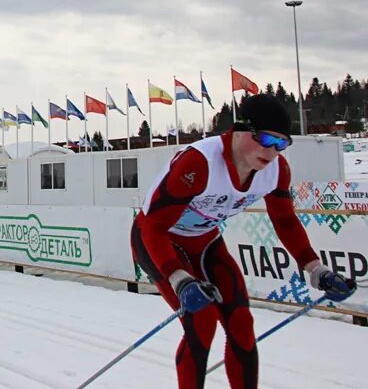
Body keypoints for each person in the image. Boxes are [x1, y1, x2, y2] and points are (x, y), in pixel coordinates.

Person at [131, 94, 357, 388]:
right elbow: (154, 226)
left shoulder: (275, 171)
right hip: (157, 240)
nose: (272, 151)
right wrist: (179, 278)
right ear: (239, 130)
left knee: (240, 324)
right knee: (201, 321)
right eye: (265, 139)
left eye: (281, 144)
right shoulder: (199, 163)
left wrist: (317, 271)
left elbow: (286, 222)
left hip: (204, 242)